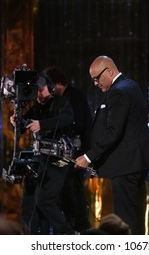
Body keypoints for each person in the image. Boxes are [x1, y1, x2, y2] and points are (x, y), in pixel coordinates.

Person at [75, 55, 149, 234]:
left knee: (125, 219)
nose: (95, 83)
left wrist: (89, 157)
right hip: (130, 163)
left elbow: (114, 131)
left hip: (127, 166)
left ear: (110, 71)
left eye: (97, 78)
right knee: (127, 215)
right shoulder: (127, 86)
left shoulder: (119, 91)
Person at [10, 72, 76, 234]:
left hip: (59, 159)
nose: (39, 93)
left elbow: (67, 118)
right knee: (29, 202)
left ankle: (68, 234)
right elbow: (24, 125)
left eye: (42, 89)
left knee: (44, 199)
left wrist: (42, 124)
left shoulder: (61, 102)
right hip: (39, 158)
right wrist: (15, 122)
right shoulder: (37, 107)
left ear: (51, 88)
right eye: (36, 90)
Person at [44, 66, 92, 232]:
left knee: (71, 189)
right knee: (64, 190)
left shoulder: (74, 97)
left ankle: (79, 227)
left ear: (57, 83)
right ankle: (71, 226)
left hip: (76, 154)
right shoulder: (60, 99)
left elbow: (78, 125)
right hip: (66, 154)